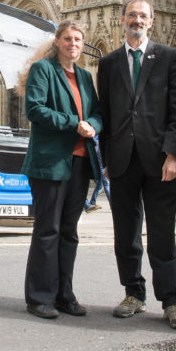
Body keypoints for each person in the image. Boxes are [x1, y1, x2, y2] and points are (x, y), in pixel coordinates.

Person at [97, 0, 176, 330]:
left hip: (161, 159)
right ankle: (133, 294)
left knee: (163, 234)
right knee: (126, 234)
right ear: (122, 20)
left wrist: (173, 154)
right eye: (132, 14)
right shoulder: (108, 63)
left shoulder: (168, 57)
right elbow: (105, 114)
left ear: (152, 21)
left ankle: (171, 300)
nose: (137, 20)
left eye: (143, 15)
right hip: (123, 160)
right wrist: (107, 159)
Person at [20, 19, 103, 320]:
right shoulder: (43, 70)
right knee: (48, 229)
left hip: (80, 162)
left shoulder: (84, 76)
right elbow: (35, 109)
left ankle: (64, 294)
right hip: (50, 161)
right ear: (57, 42)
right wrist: (73, 123)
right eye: (67, 38)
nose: (73, 44)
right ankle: (39, 297)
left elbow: (96, 113)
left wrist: (92, 125)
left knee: (69, 231)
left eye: (78, 40)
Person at [83, 137, 110, 213]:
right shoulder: (98, 144)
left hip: (99, 168)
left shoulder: (95, 144)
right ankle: (112, 203)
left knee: (100, 186)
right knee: (105, 185)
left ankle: (91, 202)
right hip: (101, 168)